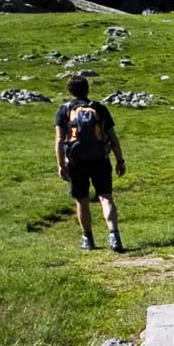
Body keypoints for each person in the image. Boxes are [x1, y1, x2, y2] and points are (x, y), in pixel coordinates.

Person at [54, 75, 126, 252]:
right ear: (87, 89)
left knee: (82, 200)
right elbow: (113, 137)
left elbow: (58, 140)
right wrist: (120, 160)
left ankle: (87, 238)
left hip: (76, 161)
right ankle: (114, 235)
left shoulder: (64, 110)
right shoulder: (99, 108)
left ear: (70, 91)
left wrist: (61, 165)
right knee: (106, 197)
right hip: (100, 158)